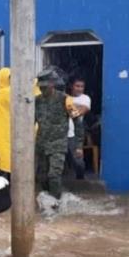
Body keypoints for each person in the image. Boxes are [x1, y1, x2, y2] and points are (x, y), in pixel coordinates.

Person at [0, 68, 41, 181]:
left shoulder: (1, 94)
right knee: (12, 166)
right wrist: (33, 80)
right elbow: (34, 92)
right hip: (9, 135)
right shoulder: (5, 93)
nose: (14, 81)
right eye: (11, 78)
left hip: (7, 135)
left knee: (7, 165)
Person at [34, 68, 71, 199]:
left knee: (54, 175)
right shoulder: (36, 101)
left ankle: (57, 202)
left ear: (52, 84)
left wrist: (78, 145)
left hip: (58, 144)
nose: (42, 90)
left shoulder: (65, 99)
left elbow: (77, 121)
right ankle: (47, 200)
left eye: (45, 87)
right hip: (41, 144)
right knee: (42, 177)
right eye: (40, 88)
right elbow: (30, 123)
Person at [66, 76, 90, 180]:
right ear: (72, 86)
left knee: (78, 159)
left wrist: (69, 107)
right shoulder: (64, 97)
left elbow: (82, 111)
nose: (80, 88)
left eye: (82, 86)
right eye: (77, 86)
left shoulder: (85, 98)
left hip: (77, 131)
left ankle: (80, 179)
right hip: (62, 131)